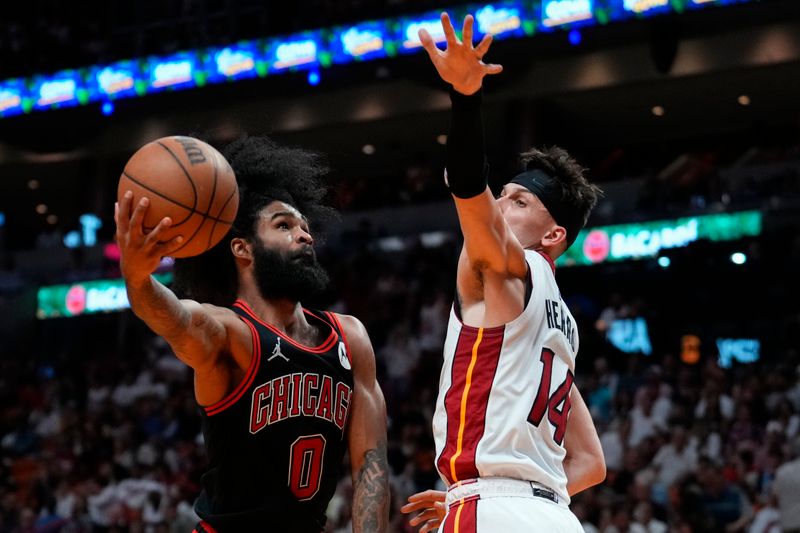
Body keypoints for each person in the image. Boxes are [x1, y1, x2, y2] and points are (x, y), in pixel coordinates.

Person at [115, 136, 389, 532]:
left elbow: (371, 467)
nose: (305, 235)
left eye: (305, 226)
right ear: (242, 249)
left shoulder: (350, 336)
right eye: (284, 225)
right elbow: (174, 318)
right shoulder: (230, 331)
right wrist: (138, 279)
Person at [400, 13, 606, 532]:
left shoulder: (515, 265)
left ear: (553, 235)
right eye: (506, 195)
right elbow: (591, 464)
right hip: (555, 517)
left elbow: (469, 189)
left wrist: (466, 99)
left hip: (490, 511)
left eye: (519, 200)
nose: (502, 204)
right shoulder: (562, 328)